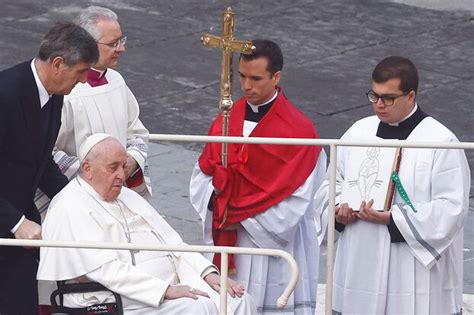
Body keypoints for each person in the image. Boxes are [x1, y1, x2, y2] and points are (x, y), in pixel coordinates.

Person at [314, 56, 470, 314]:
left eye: (388, 98)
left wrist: (393, 219)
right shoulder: (358, 132)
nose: (378, 105)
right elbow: (330, 185)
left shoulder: (441, 141)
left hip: (408, 264)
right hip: (360, 255)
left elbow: (451, 208)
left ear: (410, 96)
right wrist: (338, 210)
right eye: (373, 96)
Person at [37, 134, 256, 314]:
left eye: (123, 166)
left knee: (238, 301)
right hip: (114, 294)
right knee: (197, 308)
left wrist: (207, 272)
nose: (122, 176)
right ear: (87, 168)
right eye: (113, 167)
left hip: (168, 283)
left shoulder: (126, 196)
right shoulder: (70, 205)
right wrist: (163, 290)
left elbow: (174, 244)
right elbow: (104, 270)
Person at [189, 39, 326, 314]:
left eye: (255, 78)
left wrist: (234, 212)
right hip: (230, 236)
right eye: (241, 76)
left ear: (276, 77)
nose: (246, 86)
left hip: (267, 240)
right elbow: (202, 173)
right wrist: (217, 203)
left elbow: (302, 196)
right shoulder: (226, 119)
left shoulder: (299, 131)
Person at [0, 22, 98, 314]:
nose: (83, 81)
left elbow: (41, 161)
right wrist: (17, 223)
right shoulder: (5, 94)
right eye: (81, 71)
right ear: (58, 64)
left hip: (19, 235)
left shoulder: (55, 94)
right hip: (12, 224)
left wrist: (81, 199)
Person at [35, 6, 151, 218]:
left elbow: (136, 133)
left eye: (121, 40)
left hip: (118, 188)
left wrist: (130, 162)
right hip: (78, 194)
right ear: (87, 43)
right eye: (113, 43)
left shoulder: (117, 81)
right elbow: (46, 151)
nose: (121, 48)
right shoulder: (65, 91)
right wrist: (94, 174)